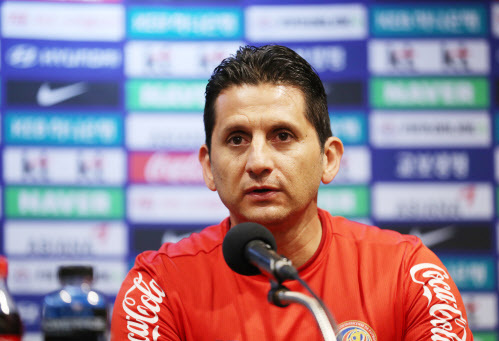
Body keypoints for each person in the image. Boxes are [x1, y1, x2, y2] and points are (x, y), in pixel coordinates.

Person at [111, 45, 473, 341]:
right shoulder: (158, 287)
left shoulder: (408, 273)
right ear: (208, 167)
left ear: (328, 159)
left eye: (282, 136)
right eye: (236, 139)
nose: (258, 162)